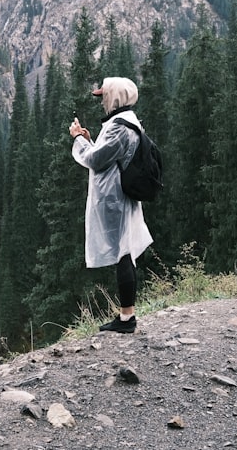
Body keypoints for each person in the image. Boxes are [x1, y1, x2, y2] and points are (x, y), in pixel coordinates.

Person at [69, 77, 154, 333]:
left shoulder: (120, 125)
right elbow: (109, 155)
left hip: (114, 199)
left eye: (104, 95)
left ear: (115, 96)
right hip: (118, 195)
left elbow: (95, 160)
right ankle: (126, 315)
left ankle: (127, 318)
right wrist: (90, 138)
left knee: (123, 253)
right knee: (123, 252)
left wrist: (78, 139)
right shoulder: (123, 121)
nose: (102, 100)